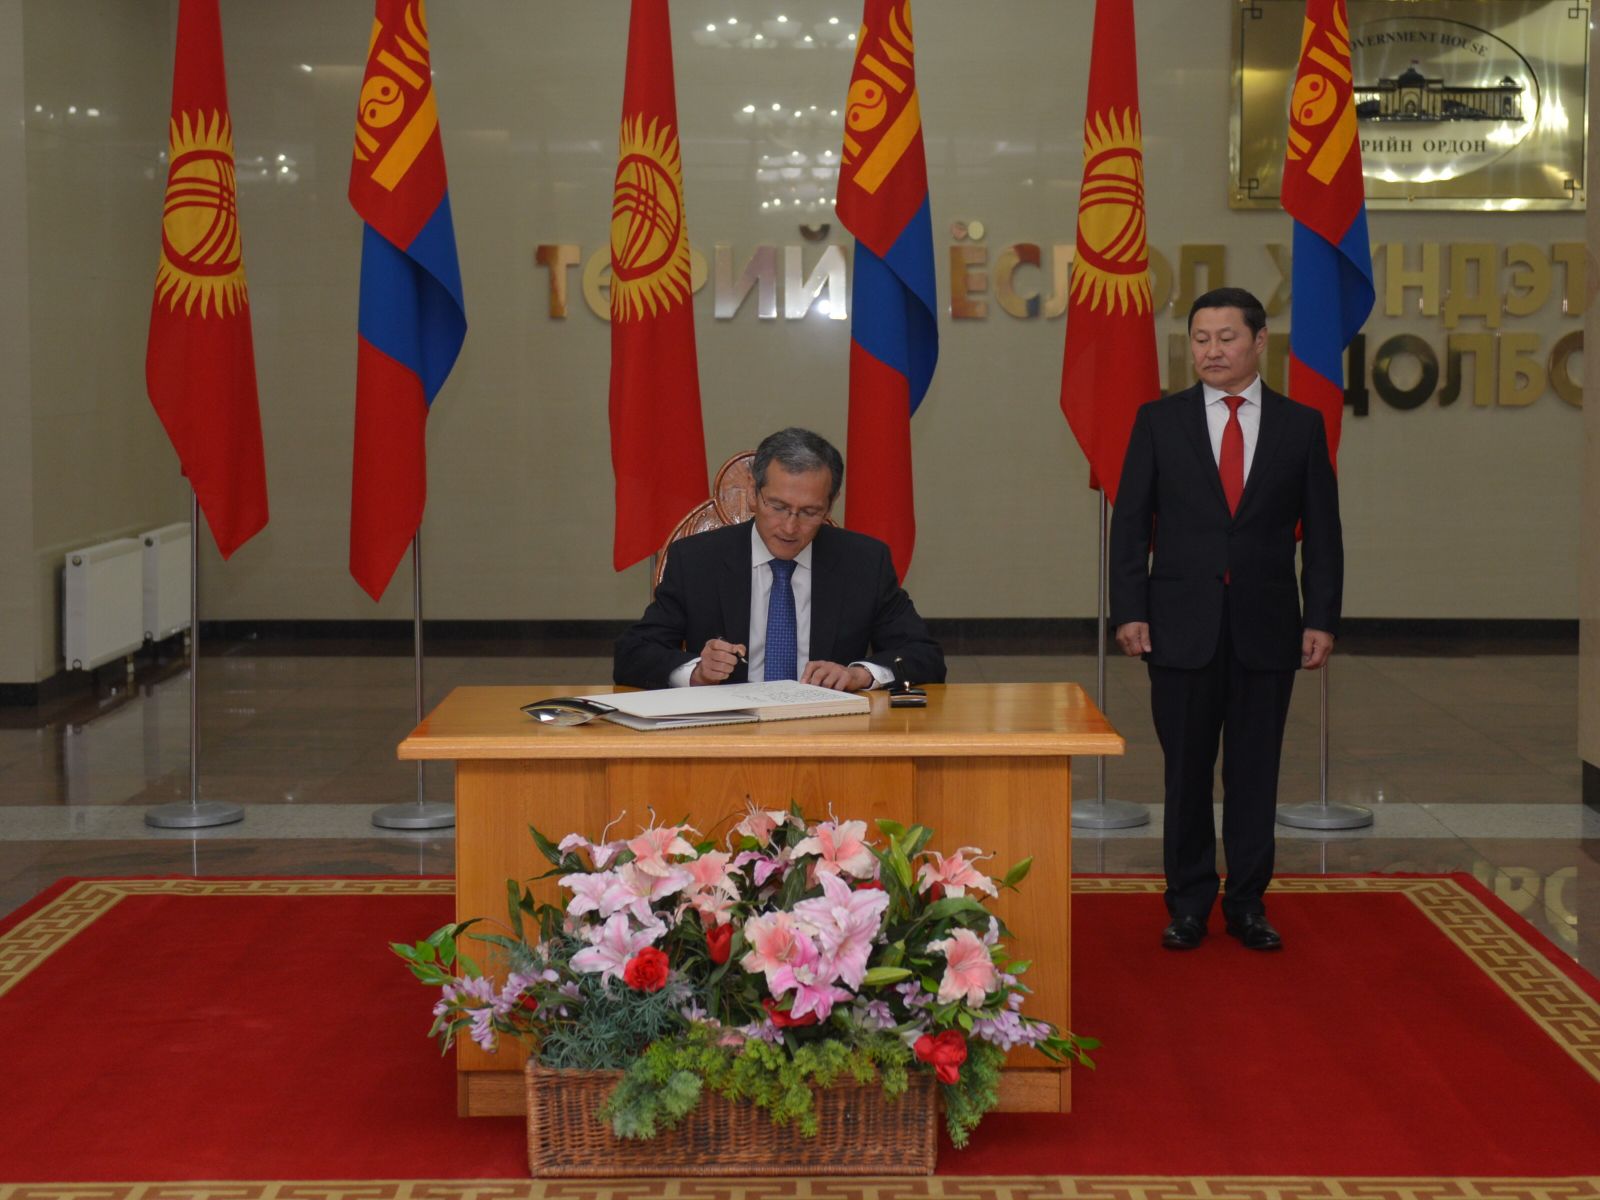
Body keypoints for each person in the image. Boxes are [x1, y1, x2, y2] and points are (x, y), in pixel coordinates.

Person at [1109, 287, 1342, 953]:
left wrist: (1321, 616)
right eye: (1201, 339)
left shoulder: (1300, 426)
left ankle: (1247, 904)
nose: (1212, 350)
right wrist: (1129, 609)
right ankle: (1187, 904)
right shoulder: (1159, 421)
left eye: (1226, 337)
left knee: (1254, 774)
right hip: (1179, 627)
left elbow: (1323, 532)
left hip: (1267, 629)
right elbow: (1132, 526)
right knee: (1185, 774)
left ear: (1259, 341)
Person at [614, 427, 946, 692]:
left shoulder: (864, 562)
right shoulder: (697, 560)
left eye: (809, 512)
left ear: (830, 505)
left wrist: (858, 675)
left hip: (827, 733)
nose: (789, 527)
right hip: (730, 732)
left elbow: (924, 655)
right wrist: (698, 672)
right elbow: (633, 655)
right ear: (753, 494)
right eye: (778, 507)